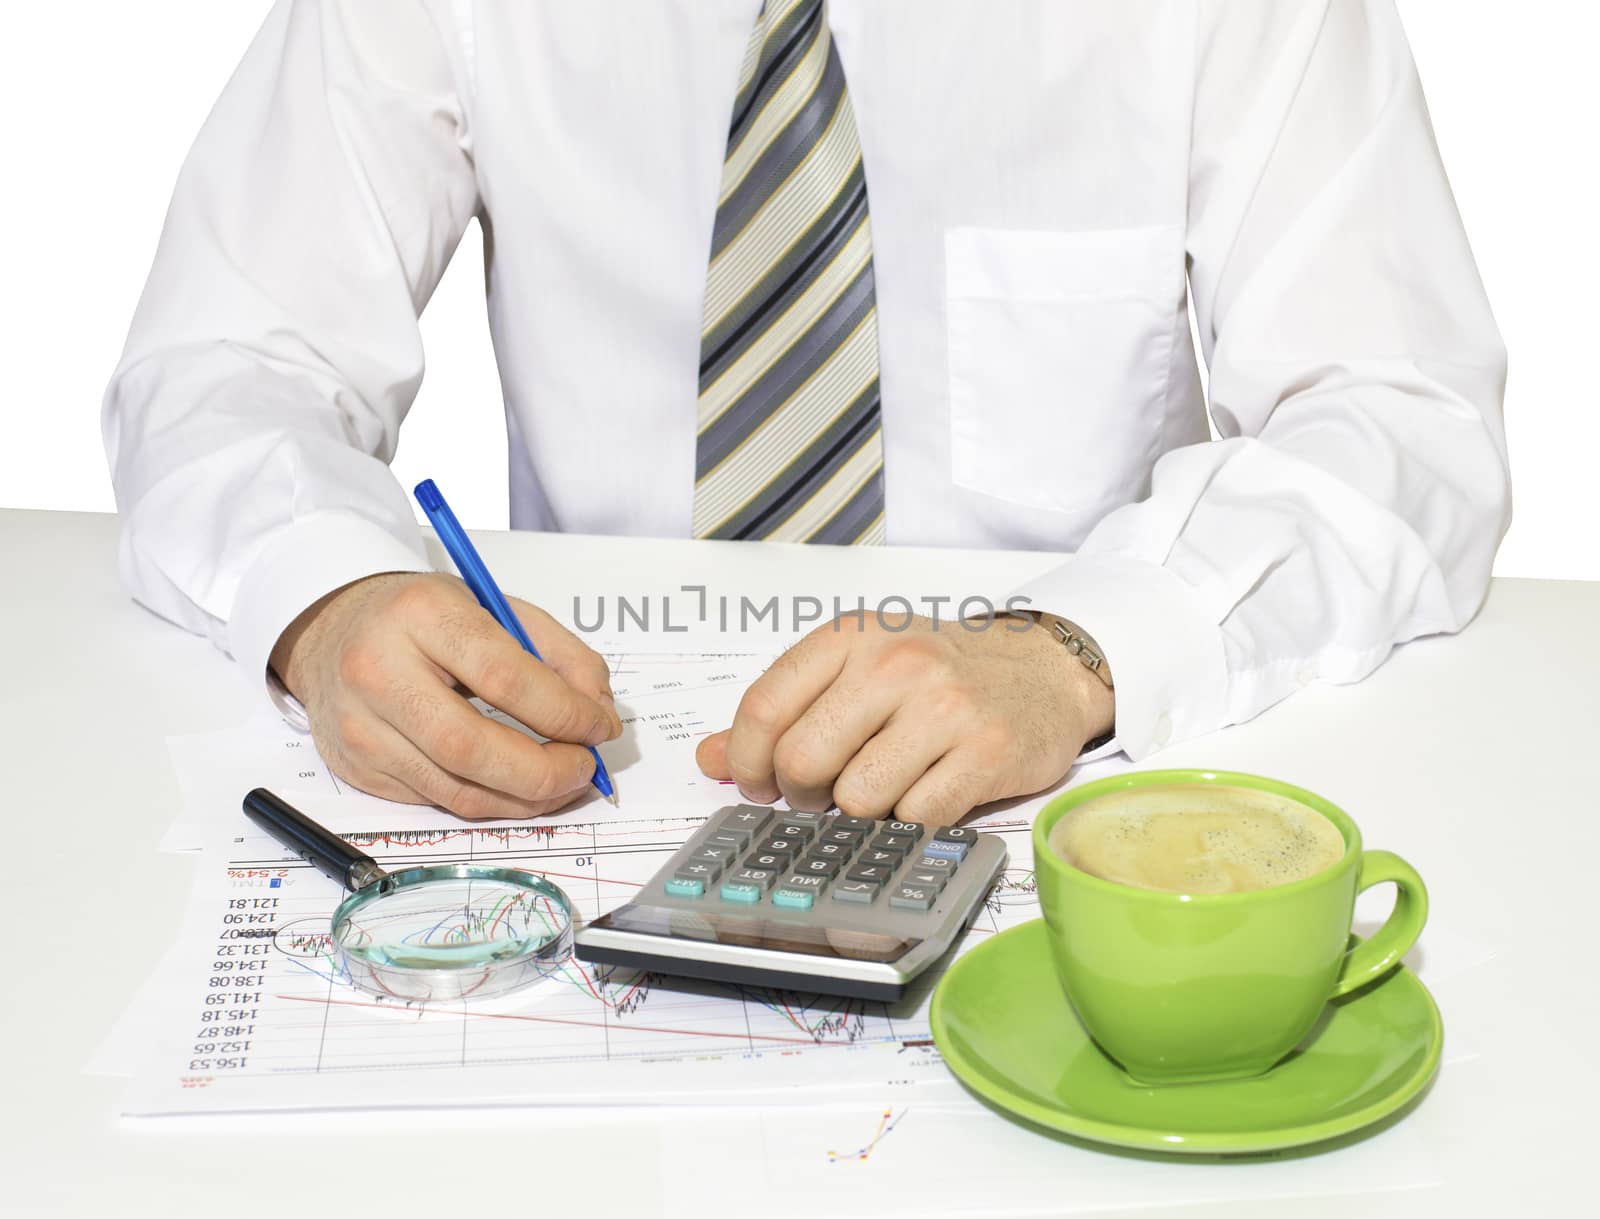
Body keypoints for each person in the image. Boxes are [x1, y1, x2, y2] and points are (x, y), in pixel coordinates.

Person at [103, 0, 1508, 828]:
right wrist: (325, 598)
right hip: (587, 780)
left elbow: (1397, 413)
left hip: (1044, 788)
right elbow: (232, 351)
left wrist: (1083, 651)